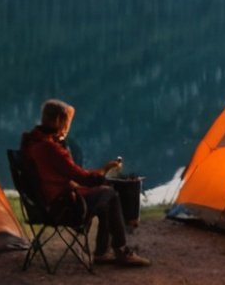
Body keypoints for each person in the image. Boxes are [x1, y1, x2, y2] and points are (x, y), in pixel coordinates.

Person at [19, 98, 149, 268]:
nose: (67, 127)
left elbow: (67, 174)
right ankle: (120, 250)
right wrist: (105, 170)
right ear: (58, 120)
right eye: (65, 121)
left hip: (42, 206)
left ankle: (103, 252)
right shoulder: (50, 148)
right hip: (62, 208)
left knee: (103, 195)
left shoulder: (32, 142)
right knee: (110, 194)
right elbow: (84, 178)